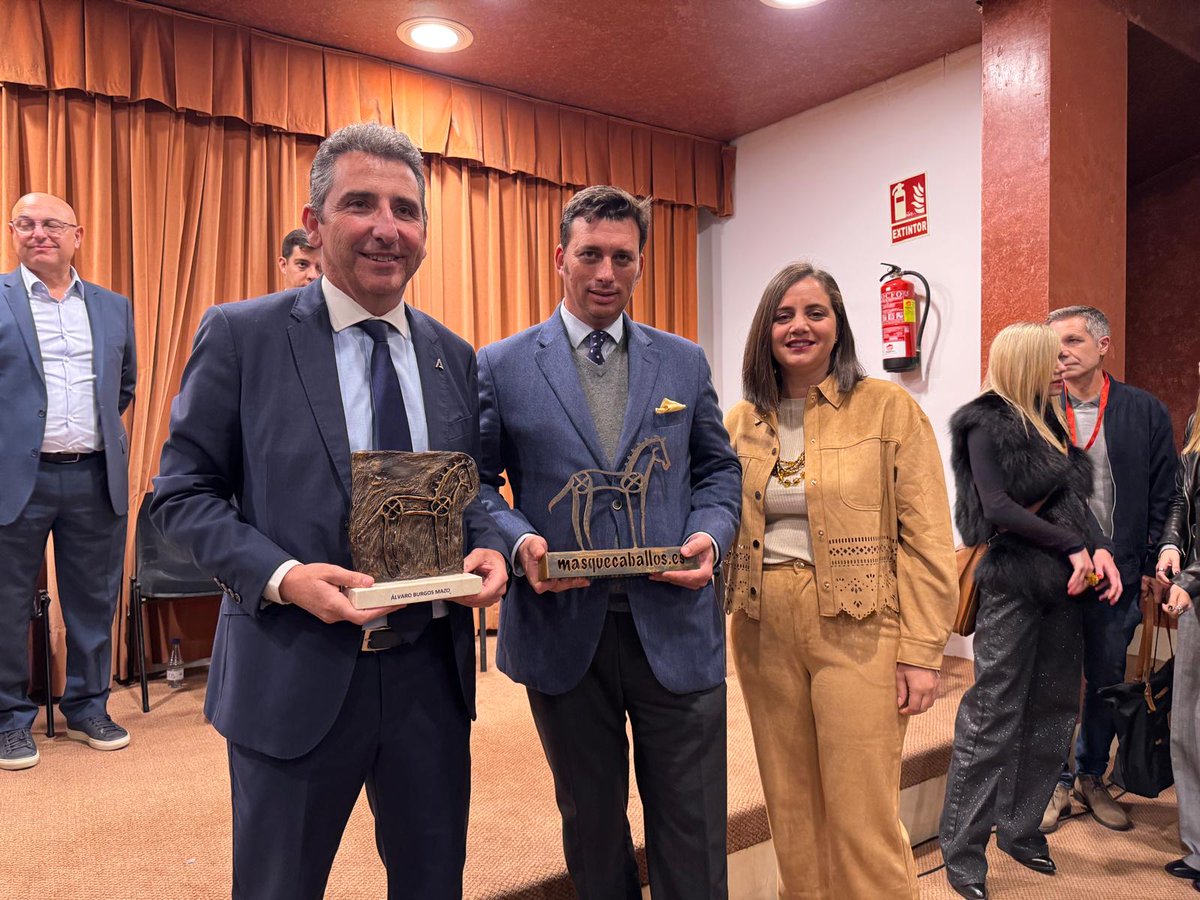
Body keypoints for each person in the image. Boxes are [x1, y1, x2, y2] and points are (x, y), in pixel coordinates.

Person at [151, 123, 508, 900]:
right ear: (314, 223)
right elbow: (180, 493)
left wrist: (492, 547)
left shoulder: (453, 353)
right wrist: (280, 576)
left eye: (406, 211)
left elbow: (467, 489)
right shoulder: (243, 336)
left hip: (427, 681)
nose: (387, 227)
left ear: (423, 234)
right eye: (360, 204)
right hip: (293, 673)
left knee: (431, 885)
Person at [476, 185, 741, 900]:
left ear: (640, 266)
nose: (605, 272)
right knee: (592, 829)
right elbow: (474, 482)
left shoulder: (683, 362)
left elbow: (718, 470)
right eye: (589, 254)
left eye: (622, 258)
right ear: (559, 257)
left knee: (694, 831)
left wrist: (710, 536)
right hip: (563, 632)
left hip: (676, 629)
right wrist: (521, 538)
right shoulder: (500, 365)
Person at [723, 262, 957, 899]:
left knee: (861, 813)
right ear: (764, 329)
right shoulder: (740, 420)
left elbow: (929, 538)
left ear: (838, 326)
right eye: (783, 314)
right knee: (791, 808)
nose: (799, 326)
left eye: (815, 313)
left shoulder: (888, 408)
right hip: (762, 626)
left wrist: (922, 652)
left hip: (860, 626)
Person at [939, 322, 1121, 900]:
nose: (1062, 360)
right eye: (1053, 353)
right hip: (1013, 584)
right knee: (993, 713)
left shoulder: (1047, 417)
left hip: (1065, 591)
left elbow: (1073, 502)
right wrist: (1072, 546)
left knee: (1054, 708)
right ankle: (962, 850)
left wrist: (1099, 551)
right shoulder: (983, 420)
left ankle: (1019, 830)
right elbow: (995, 510)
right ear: (1025, 359)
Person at [0, 193, 136, 771]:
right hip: (16, 480)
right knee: (5, 605)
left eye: (51, 224)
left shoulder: (112, 306)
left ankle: (87, 705)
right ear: (13, 234)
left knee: (93, 600)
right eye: (25, 224)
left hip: (93, 474)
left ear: (76, 234)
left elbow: (124, 385)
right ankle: (10, 718)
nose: (39, 233)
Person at [1041, 305, 1175, 833]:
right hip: (1057, 566)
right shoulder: (1041, 411)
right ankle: (1053, 780)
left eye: (1073, 341)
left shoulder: (1143, 410)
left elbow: (1165, 492)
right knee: (1054, 678)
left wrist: (1147, 561)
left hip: (1118, 569)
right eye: (1055, 345)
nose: (1063, 353)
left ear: (1104, 347)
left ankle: (1092, 775)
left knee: (1105, 677)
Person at [1156, 362, 1200, 888]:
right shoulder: (1196, 422)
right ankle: (1197, 848)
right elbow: (1180, 497)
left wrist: (1190, 576)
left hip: (1194, 586)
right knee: (1188, 724)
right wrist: (1171, 544)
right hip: (1192, 591)